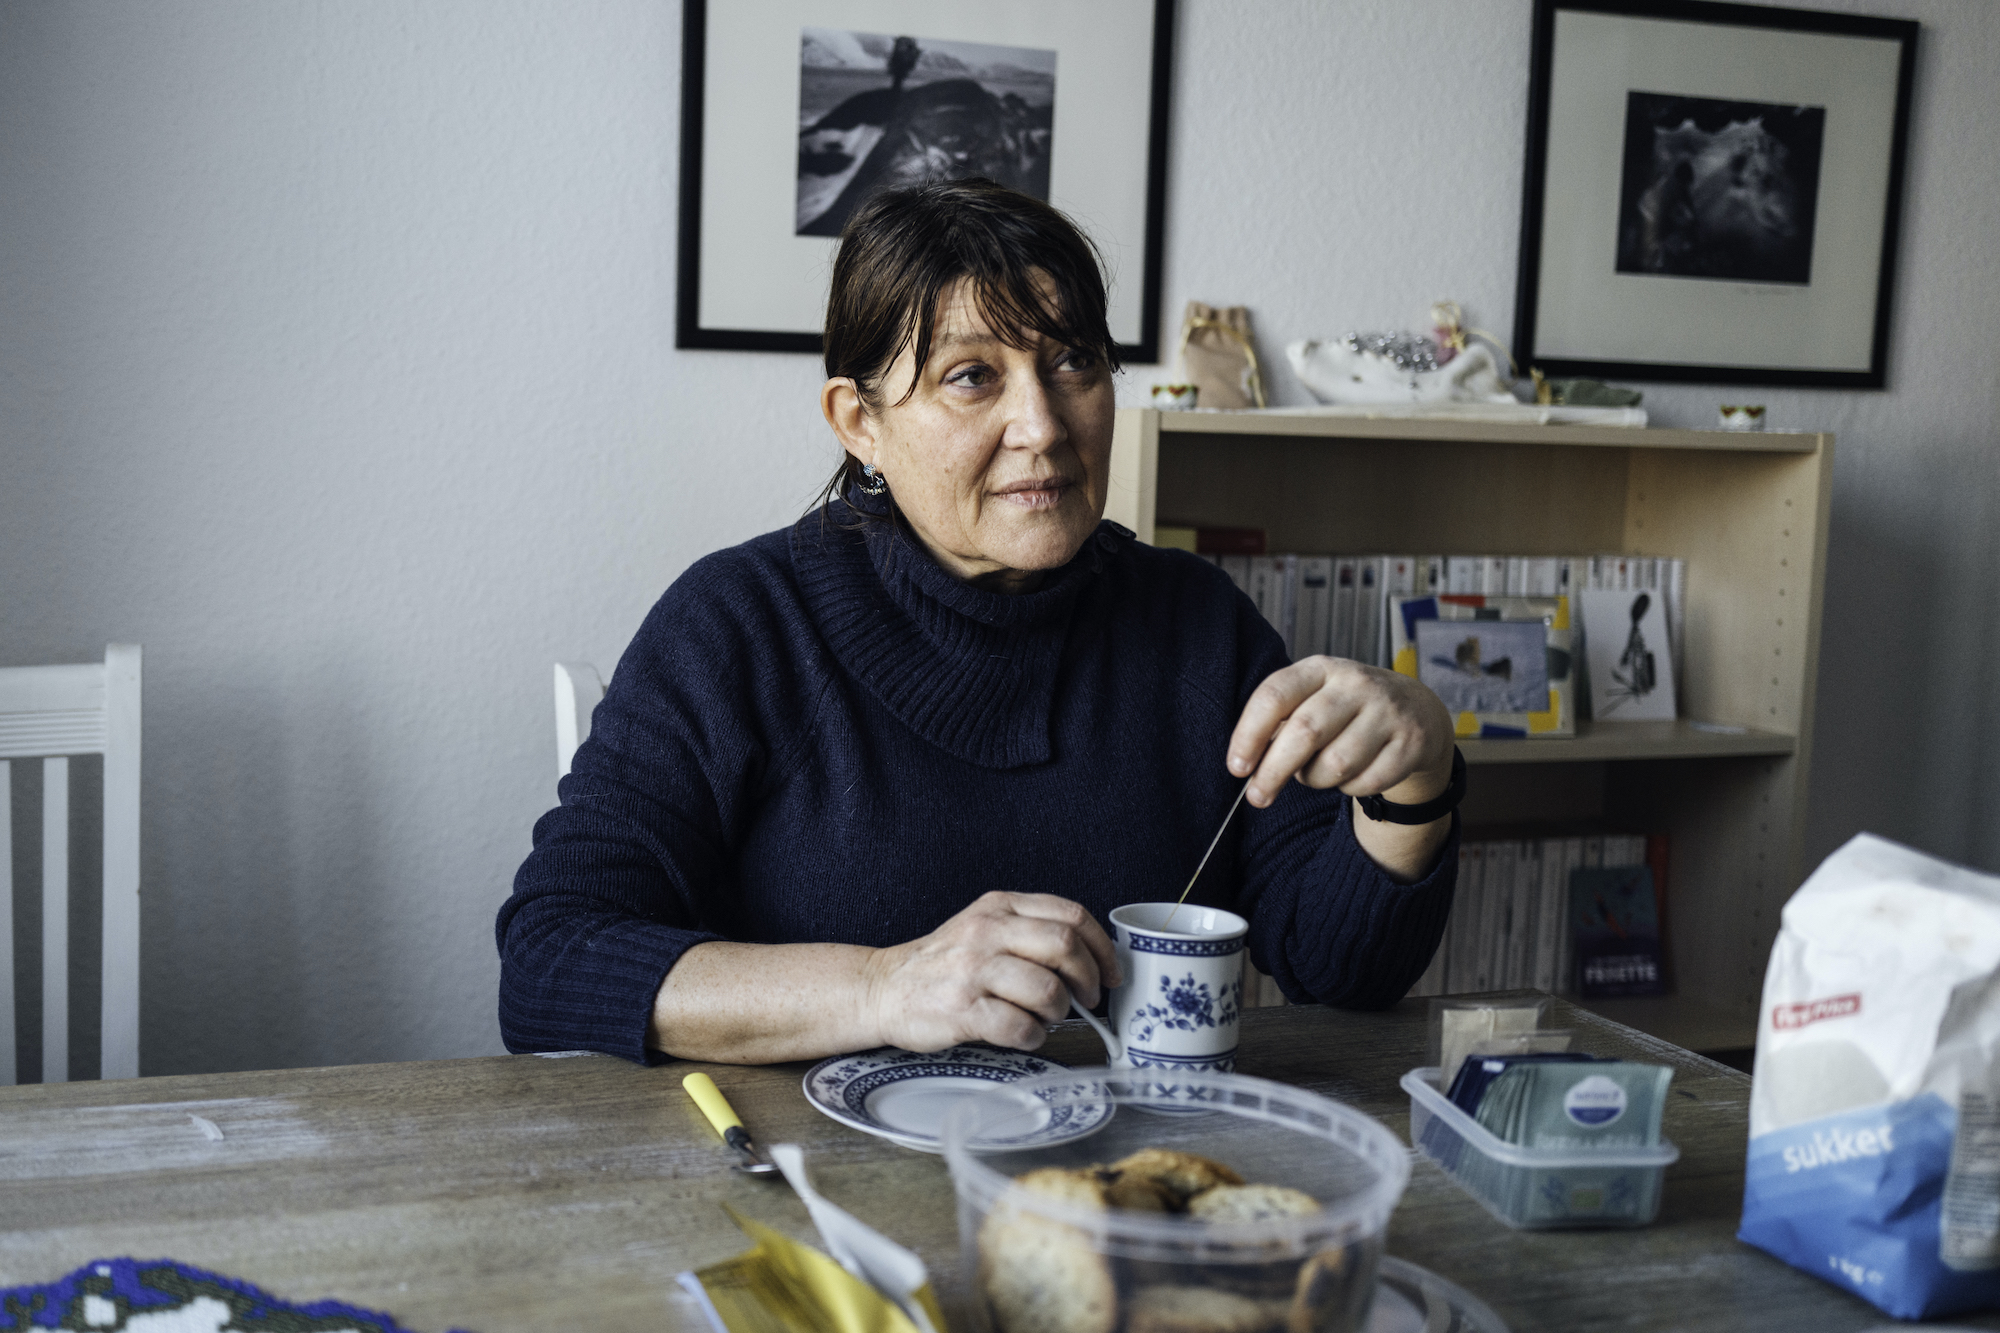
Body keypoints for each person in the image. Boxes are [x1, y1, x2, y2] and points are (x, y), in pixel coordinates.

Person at [497, 177, 1459, 1066]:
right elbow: (552, 960)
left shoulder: (1201, 626)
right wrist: (882, 987)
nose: (1043, 424)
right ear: (860, 422)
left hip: (1120, 1172)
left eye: (1073, 361)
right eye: (971, 376)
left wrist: (1417, 780)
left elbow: (1340, 971)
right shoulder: (737, 627)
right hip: (808, 1175)